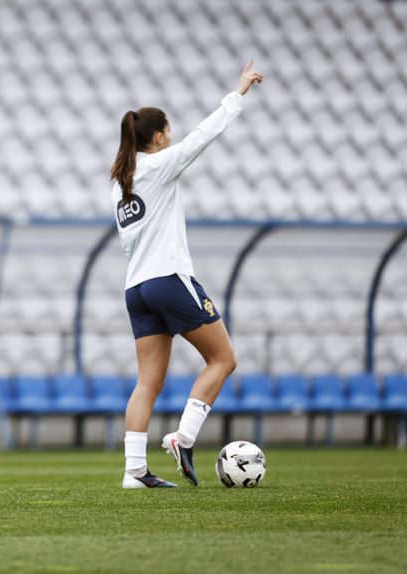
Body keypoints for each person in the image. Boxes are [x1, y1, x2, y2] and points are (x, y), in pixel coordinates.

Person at [112, 61, 263, 489]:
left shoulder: (121, 182)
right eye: (169, 132)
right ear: (159, 137)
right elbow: (203, 137)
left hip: (136, 287)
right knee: (223, 359)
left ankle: (134, 472)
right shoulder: (158, 165)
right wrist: (238, 94)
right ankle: (184, 437)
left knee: (147, 381)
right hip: (168, 278)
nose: (173, 137)